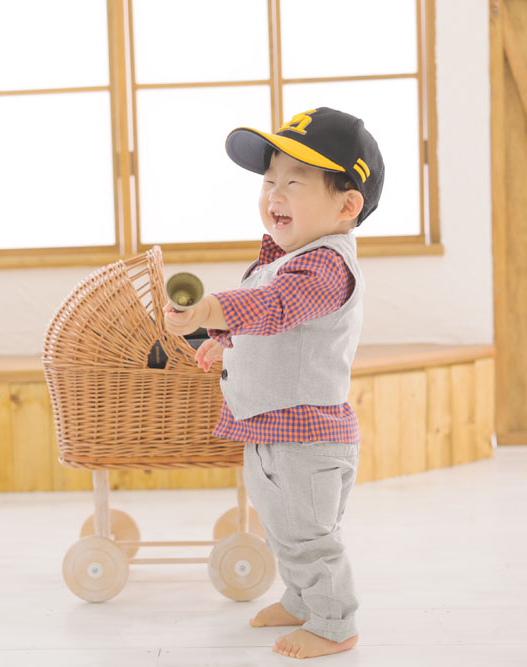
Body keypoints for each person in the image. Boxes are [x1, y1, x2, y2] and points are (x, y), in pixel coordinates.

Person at [164, 107, 384, 659]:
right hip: (276, 431)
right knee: (283, 527)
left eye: (294, 182)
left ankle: (334, 623)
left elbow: (277, 307)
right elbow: (273, 327)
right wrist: (227, 341)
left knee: (308, 536)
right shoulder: (288, 259)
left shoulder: (325, 266)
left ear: (347, 205)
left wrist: (210, 311)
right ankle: (302, 600)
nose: (274, 195)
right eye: (268, 181)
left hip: (304, 440)